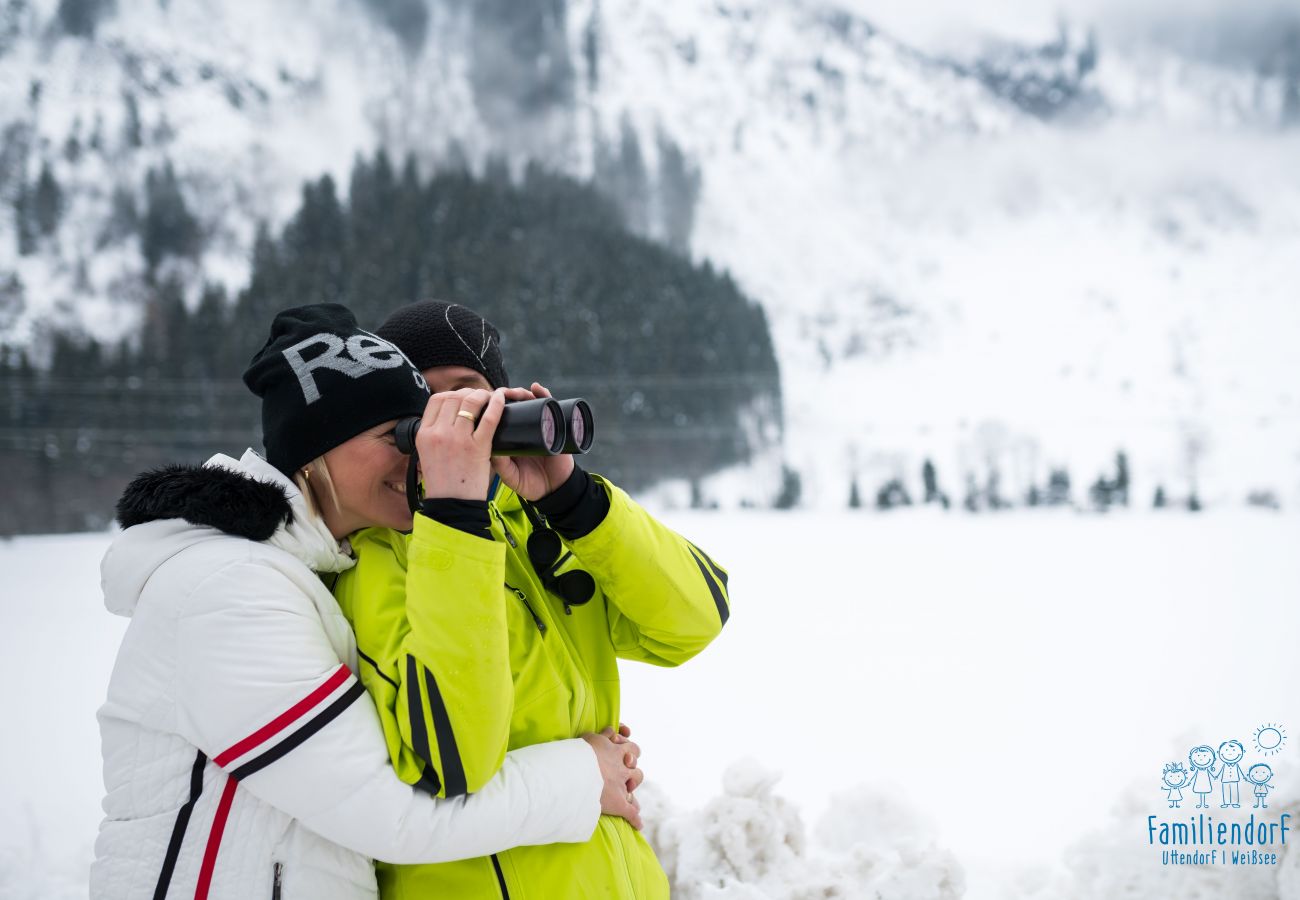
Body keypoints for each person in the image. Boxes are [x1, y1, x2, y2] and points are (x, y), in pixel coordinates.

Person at [92, 304, 644, 900]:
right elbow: (396, 813)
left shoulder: (312, 577)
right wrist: (585, 775)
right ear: (315, 449)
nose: (423, 457)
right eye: (399, 435)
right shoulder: (228, 591)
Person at [330, 300, 732, 899]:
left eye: (471, 395)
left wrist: (574, 501)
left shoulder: (534, 526)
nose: (457, 420)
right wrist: (453, 518)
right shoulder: (376, 556)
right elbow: (446, 764)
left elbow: (695, 618)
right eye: (427, 404)